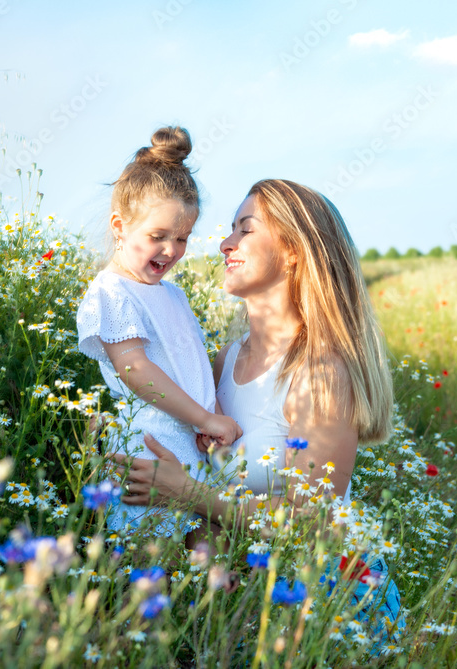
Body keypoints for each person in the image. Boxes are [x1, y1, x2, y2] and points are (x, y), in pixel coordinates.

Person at [109, 179, 402, 643]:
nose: (225, 243)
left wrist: (187, 494)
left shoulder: (321, 372)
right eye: (231, 230)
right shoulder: (225, 360)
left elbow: (314, 521)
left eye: (245, 230)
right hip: (243, 605)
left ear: (294, 251)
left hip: (325, 609)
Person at [76, 126, 242, 542]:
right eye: (158, 237)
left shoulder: (172, 294)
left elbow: (192, 366)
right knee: (151, 555)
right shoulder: (110, 291)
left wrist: (212, 414)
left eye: (182, 238)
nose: (171, 250)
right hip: (150, 442)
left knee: (201, 556)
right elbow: (134, 369)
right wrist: (204, 417)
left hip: (192, 443)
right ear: (120, 226)